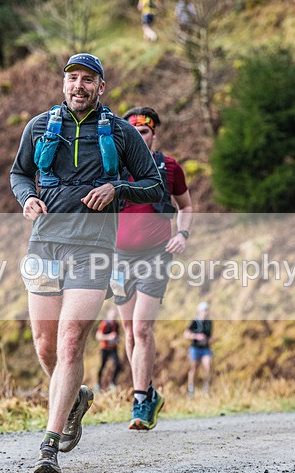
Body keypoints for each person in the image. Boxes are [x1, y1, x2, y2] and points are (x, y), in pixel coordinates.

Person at [10, 53, 164, 473]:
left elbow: (153, 185)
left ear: (101, 87)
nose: (79, 85)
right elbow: (19, 174)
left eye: (88, 79)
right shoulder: (39, 126)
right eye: (73, 78)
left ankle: (49, 443)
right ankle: (75, 397)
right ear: (64, 84)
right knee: (45, 346)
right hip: (45, 244)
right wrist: (27, 198)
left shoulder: (120, 131)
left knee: (71, 339)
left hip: (93, 249)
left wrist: (117, 189)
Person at [115, 106, 193, 430]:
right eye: (132, 131)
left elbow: (185, 206)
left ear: (153, 135)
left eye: (144, 131)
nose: (139, 136)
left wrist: (182, 234)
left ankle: (140, 402)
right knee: (129, 331)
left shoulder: (169, 167)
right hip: (117, 258)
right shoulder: (112, 168)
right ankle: (148, 391)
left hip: (156, 256)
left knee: (142, 328)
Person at [184, 301, 213, 397]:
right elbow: (186, 334)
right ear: (200, 311)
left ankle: (206, 389)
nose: (206, 312)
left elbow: (209, 336)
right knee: (194, 369)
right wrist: (196, 336)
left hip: (205, 348)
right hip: (195, 348)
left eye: (207, 310)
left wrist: (210, 339)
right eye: (204, 310)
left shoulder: (209, 322)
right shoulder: (195, 322)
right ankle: (191, 389)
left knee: (208, 367)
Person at [95, 308, 121, 391]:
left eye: (115, 315)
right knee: (103, 366)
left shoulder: (116, 324)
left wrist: (117, 339)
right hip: (105, 348)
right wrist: (108, 337)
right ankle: (98, 384)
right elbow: (98, 336)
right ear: (108, 315)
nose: (114, 317)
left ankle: (112, 383)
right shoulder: (104, 324)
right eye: (112, 315)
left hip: (113, 348)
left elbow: (117, 335)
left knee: (118, 364)